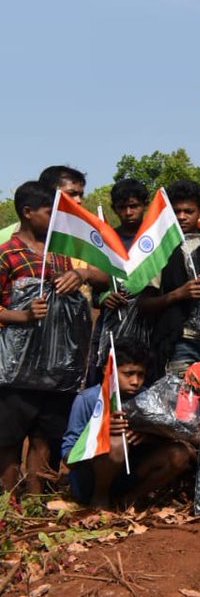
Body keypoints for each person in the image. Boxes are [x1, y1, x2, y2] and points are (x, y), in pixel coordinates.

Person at [0, 181, 107, 494]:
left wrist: (83, 274)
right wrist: (22, 315)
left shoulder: (63, 252)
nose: (57, 219)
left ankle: (36, 502)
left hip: (59, 370)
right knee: (8, 439)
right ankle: (10, 504)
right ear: (28, 212)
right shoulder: (7, 255)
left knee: (46, 437)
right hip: (15, 372)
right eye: (51, 212)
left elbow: (107, 275)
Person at [62, 341, 190, 508]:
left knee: (180, 454)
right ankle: (99, 500)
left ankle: (130, 499)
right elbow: (68, 456)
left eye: (140, 374)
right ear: (108, 371)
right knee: (116, 442)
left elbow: (167, 437)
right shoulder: (88, 399)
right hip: (90, 479)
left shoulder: (147, 397)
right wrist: (99, 435)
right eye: (128, 374)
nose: (135, 381)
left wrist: (146, 437)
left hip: (131, 474)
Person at [136, 179, 200, 376]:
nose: (182, 217)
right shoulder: (159, 250)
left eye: (189, 211)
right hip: (179, 340)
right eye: (176, 212)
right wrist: (178, 294)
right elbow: (144, 303)